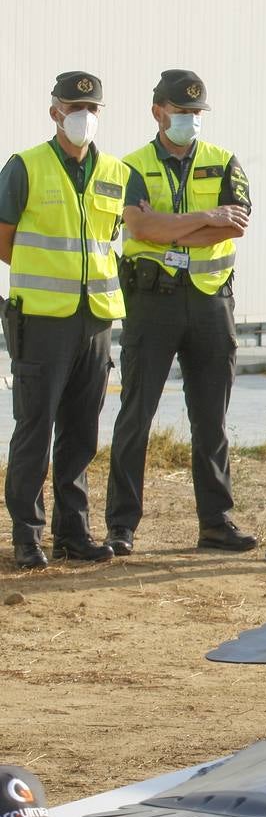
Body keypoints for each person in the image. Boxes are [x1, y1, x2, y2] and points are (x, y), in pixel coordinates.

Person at [103, 70, 254, 556]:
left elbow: (235, 227)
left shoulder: (225, 161)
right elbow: (137, 225)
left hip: (211, 300)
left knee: (212, 418)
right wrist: (204, 218)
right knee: (136, 416)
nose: (189, 121)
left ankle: (216, 521)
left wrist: (170, 230)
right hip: (152, 301)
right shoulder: (130, 166)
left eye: (196, 113)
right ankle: (121, 525)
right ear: (158, 112)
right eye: (181, 112)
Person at [0, 72, 127, 569]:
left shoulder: (115, 171)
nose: (84, 116)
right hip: (42, 319)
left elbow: (111, 235)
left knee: (81, 431)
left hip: (95, 318)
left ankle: (73, 533)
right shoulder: (24, 167)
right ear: (55, 111)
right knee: (34, 427)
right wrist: (43, 272)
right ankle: (26, 536)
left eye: (92, 107)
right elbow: (3, 236)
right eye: (75, 107)